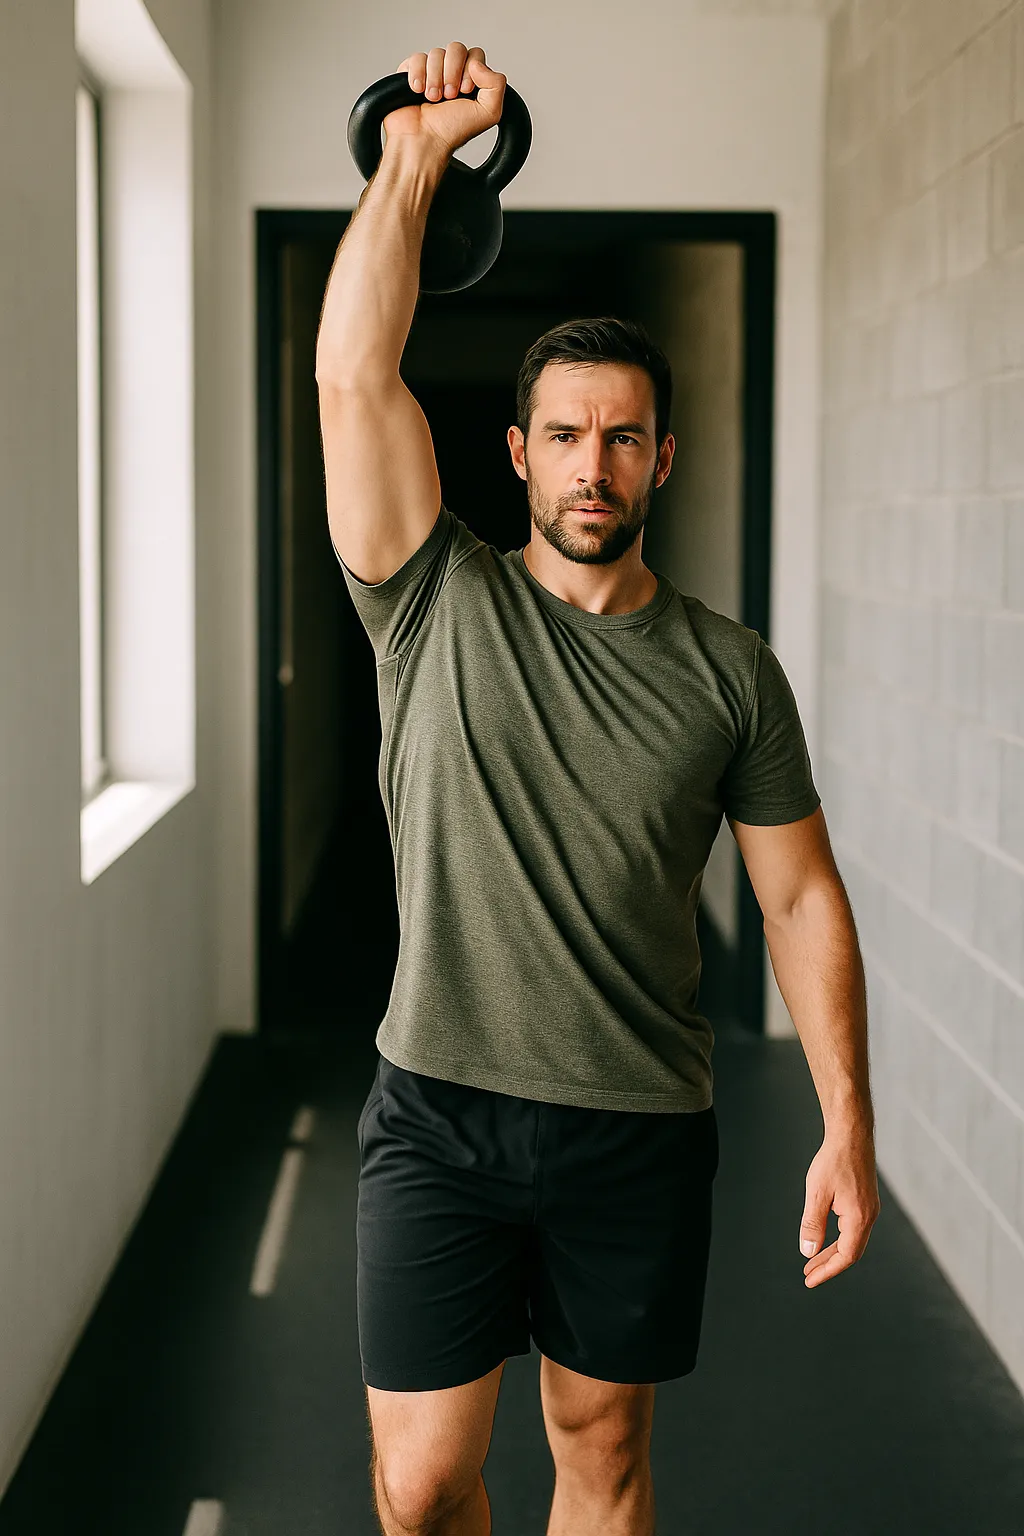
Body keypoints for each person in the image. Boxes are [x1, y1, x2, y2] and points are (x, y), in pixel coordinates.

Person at [316, 41, 880, 1536]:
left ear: (662, 458)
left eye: (622, 437)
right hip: (438, 1112)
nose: (592, 465)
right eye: (565, 436)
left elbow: (798, 894)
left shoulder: (730, 671)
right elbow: (352, 376)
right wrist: (416, 155)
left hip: (635, 1123)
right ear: (516, 453)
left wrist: (845, 1117)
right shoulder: (432, 600)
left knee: (603, 1461)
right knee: (420, 1488)